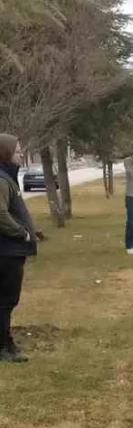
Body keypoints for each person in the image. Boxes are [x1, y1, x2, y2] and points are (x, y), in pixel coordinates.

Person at [0, 134, 45, 363]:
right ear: (6, 153)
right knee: (5, 301)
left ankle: (6, 344)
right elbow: (1, 215)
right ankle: (4, 347)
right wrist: (22, 232)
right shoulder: (1, 180)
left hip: (12, 251)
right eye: (17, 150)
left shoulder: (8, 179)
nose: (21, 153)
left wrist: (32, 230)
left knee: (7, 301)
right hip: (7, 252)